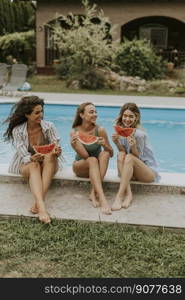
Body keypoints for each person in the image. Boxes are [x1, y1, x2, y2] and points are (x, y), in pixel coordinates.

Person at [4, 96, 62, 224]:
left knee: (50, 155)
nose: (41, 115)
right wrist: (31, 157)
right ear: (27, 114)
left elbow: (55, 146)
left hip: (49, 164)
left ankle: (38, 204)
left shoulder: (49, 126)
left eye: (41, 111)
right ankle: (42, 208)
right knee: (34, 164)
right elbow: (24, 156)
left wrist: (57, 151)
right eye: (37, 112)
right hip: (28, 165)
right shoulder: (17, 130)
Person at [112, 102, 160, 211]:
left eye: (131, 116)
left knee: (129, 157)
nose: (127, 119)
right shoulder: (121, 130)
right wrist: (117, 143)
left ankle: (119, 197)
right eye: (125, 116)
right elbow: (123, 152)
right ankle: (128, 194)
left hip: (148, 173)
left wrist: (133, 146)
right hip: (131, 171)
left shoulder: (139, 134)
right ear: (121, 116)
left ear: (136, 117)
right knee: (121, 154)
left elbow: (137, 159)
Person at [70, 102, 113, 215]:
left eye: (95, 112)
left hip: (96, 170)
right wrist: (74, 145)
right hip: (81, 166)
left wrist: (105, 145)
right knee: (92, 160)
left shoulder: (100, 130)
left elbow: (111, 153)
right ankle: (103, 199)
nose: (95, 114)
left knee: (105, 154)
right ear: (82, 115)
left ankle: (93, 192)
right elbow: (85, 156)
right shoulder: (74, 132)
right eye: (91, 112)